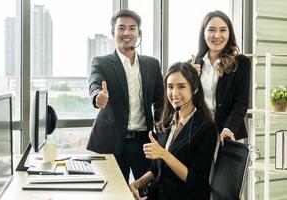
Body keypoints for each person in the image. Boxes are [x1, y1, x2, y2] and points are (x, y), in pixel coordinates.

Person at [87, 9, 164, 184]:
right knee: (112, 192)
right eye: (121, 28)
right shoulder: (102, 62)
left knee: (148, 191)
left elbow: (160, 101)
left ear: (139, 33)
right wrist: (98, 96)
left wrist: (162, 131)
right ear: (113, 32)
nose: (126, 33)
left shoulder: (152, 64)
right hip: (112, 142)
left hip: (144, 142)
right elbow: (95, 84)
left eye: (132, 28)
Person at [129, 62, 218, 200]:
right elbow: (155, 169)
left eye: (181, 87)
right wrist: (136, 184)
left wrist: (164, 154)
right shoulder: (167, 122)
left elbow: (195, 179)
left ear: (194, 89)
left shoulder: (206, 127)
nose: (174, 93)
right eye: (170, 87)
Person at [190, 10, 251, 145]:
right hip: (198, 133)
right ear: (203, 34)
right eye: (211, 30)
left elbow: (241, 103)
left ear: (229, 34)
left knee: (226, 167)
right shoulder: (192, 65)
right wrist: (190, 79)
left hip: (227, 134)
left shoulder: (241, 63)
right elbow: (184, 103)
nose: (217, 35)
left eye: (223, 30)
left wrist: (228, 129)